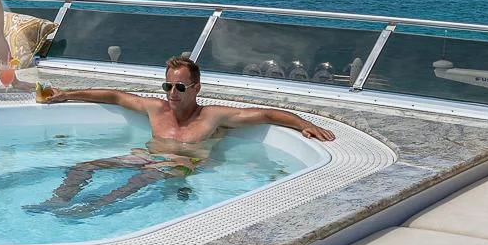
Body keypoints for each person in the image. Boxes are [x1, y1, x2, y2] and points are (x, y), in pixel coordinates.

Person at [27, 55, 335, 218]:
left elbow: (266, 115)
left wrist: (301, 124)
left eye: (180, 87)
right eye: (168, 86)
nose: (172, 93)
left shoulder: (213, 116)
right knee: (84, 166)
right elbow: (114, 96)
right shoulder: (156, 109)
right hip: (146, 156)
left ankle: (94, 208)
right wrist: (66, 94)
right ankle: (58, 200)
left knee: (141, 179)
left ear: (196, 88)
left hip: (181, 165)